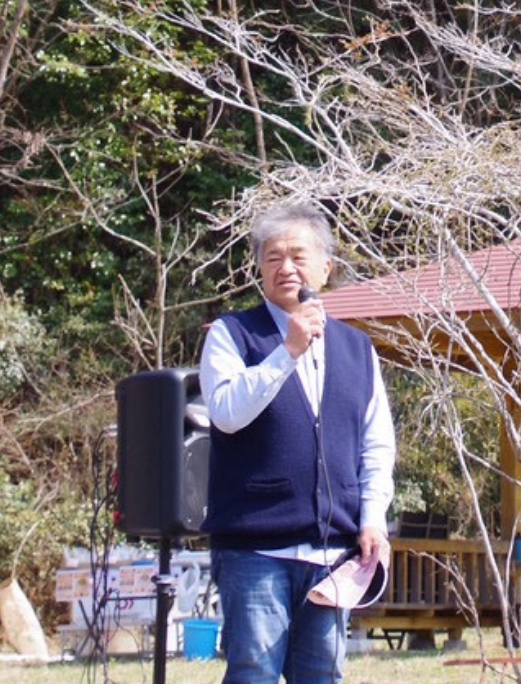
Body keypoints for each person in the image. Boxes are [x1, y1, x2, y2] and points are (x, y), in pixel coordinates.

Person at [200, 202, 396, 684]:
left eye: (298, 255)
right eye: (273, 257)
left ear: (326, 268)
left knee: (323, 677)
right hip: (255, 550)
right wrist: (286, 351)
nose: (286, 267)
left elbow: (376, 444)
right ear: (259, 269)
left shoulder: (357, 348)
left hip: (334, 553)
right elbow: (224, 414)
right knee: (253, 673)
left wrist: (372, 519)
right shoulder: (232, 334)